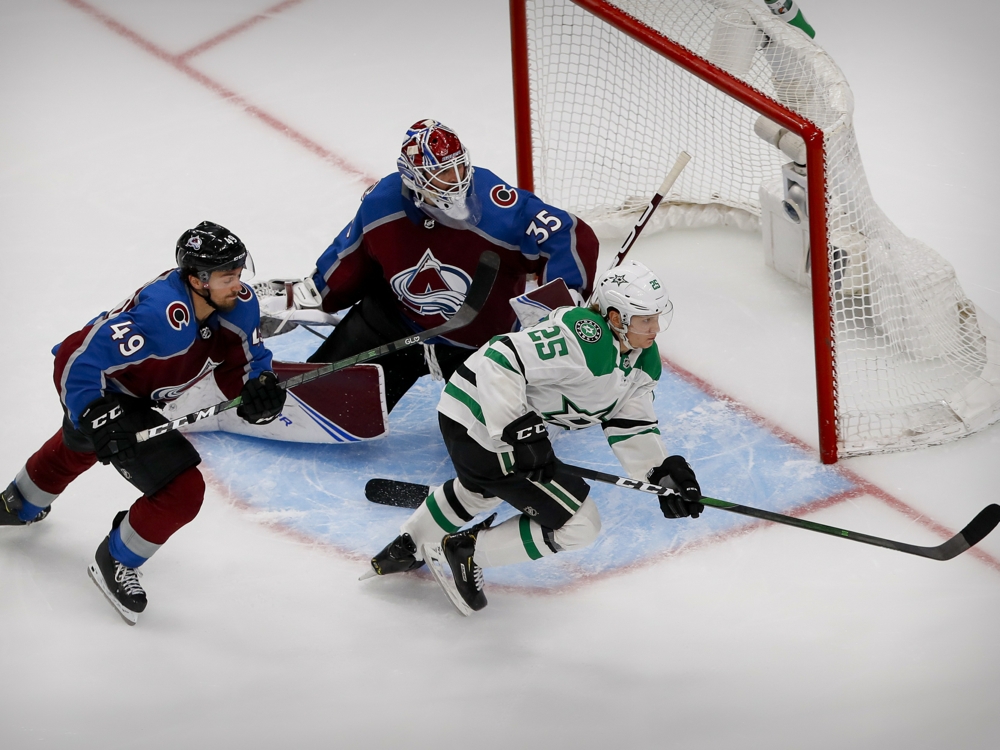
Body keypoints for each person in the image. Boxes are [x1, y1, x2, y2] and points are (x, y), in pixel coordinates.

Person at [364, 260, 704, 614]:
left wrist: (661, 472)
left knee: (482, 489)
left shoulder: (641, 360)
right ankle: (467, 550)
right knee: (580, 524)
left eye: (656, 317)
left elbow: (629, 423)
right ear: (616, 318)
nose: (656, 328)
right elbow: (501, 357)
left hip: (475, 418)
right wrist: (520, 430)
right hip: (483, 418)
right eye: (645, 319)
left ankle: (408, 545)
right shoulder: (584, 337)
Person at [0, 221, 286, 625]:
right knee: (182, 490)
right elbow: (75, 355)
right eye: (227, 276)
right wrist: (95, 414)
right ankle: (116, 559)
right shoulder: (162, 317)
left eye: (239, 273)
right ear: (196, 280)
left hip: (138, 396)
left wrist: (260, 392)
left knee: (81, 444)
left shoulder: (237, 305)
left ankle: (22, 499)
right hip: (107, 392)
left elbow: (244, 364)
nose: (238, 285)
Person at [256, 119, 599, 412]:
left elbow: (569, 234)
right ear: (412, 178)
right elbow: (351, 259)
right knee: (320, 401)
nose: (456, 178)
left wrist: (562, 308)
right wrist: (316, 295)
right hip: (396, 325)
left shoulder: (498, 207)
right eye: (441, 173)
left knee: (490, 434)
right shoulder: (382, 205)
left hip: (481, 346)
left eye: (458, 166)